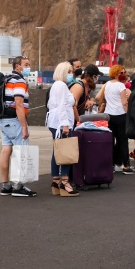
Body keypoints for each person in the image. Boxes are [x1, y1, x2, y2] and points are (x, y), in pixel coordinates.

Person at [0, 56, 36, 197]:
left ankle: (5, 185)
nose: (28, 67)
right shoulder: (19, 81)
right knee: (22, 151)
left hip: (3, 120)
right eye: (26, 64)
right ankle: (18, 186)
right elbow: (19, 104)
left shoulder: (6, 79)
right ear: (17, 66)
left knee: (5, 150)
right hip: (14, 120)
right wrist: (24, 126)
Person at [46, 61, 80, 197]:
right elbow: (61, 106)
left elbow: (51, 104)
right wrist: (65, 124)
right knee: (65, 151)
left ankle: (55, 181)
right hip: (61, 124)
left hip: (56, 123)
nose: (72, 74)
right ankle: (65, 182)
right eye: (70, 71)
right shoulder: (61, 86)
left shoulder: (56, 85)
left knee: (57, 150)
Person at [99, 64, 135, 174]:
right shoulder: (121, 86)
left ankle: (111, 164)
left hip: (109, 115)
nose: (123, 75)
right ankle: (125, 164)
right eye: (121, 73)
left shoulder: (107, 84)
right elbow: (124, 102)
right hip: (121, 115)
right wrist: (129, 114)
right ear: (116, 74)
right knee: (123, 141)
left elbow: (102, 99)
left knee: (110, 141)